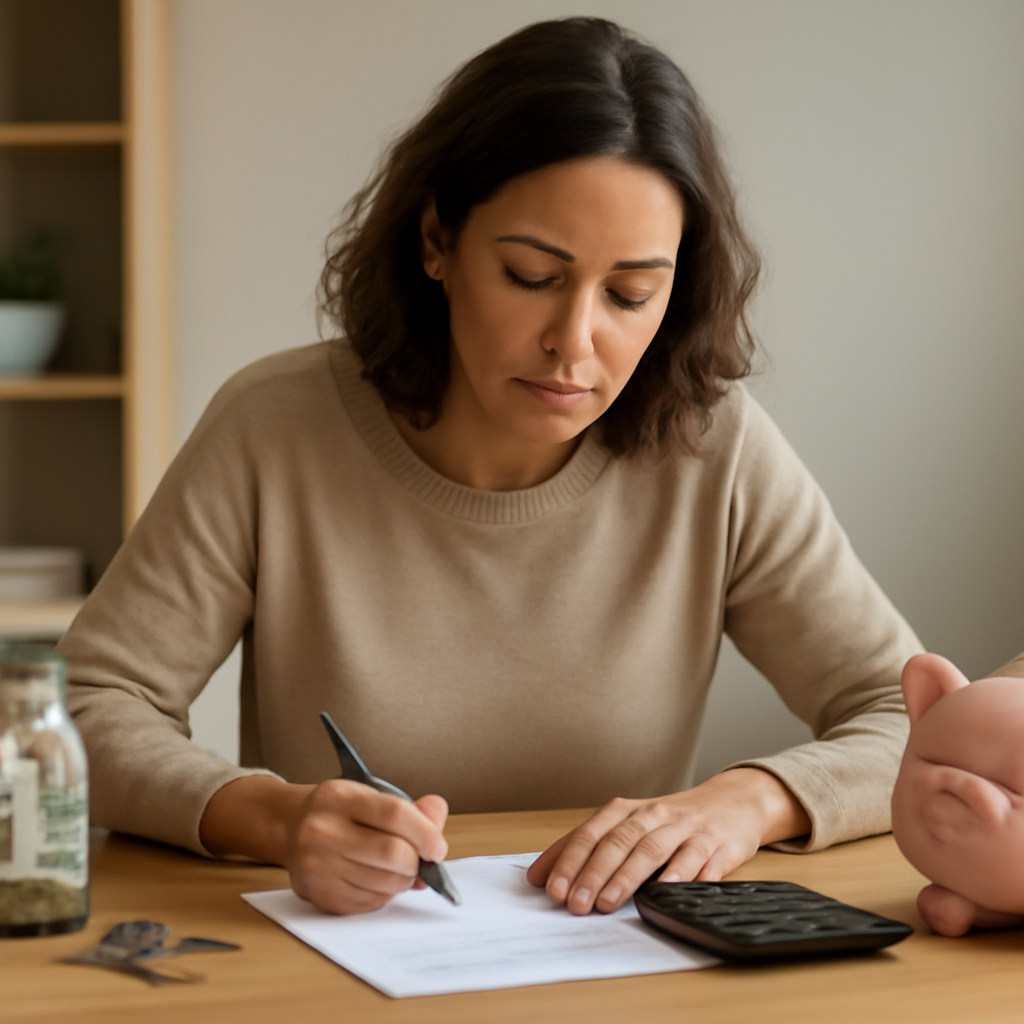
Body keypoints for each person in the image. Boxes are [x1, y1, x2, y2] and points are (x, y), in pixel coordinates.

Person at [60, 17, 921, 918]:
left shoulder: (714, 448)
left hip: (606, 967)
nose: (574, 343)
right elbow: (88, 705)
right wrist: (273, 817)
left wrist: (742, 802)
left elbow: (905, 716)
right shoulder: (274, 426)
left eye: (631, 294)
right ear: (437, 238)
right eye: (530, 275)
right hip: (337, 966)